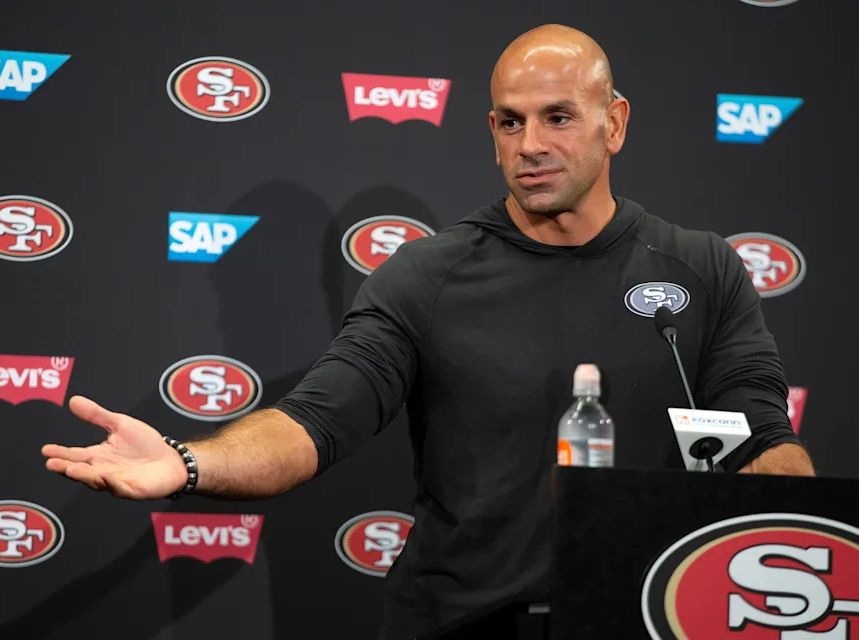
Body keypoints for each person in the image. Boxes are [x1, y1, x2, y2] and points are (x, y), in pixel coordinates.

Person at [43, 23, 814, 639]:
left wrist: (801, 540)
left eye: (557, 118)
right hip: (463, 623)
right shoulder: (425, 276)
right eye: (510, 122)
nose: (530, 145)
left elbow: (762, 437)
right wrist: (184, 461)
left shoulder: (701, 269)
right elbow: (313, 424)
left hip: (649, 616)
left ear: (613, 123)